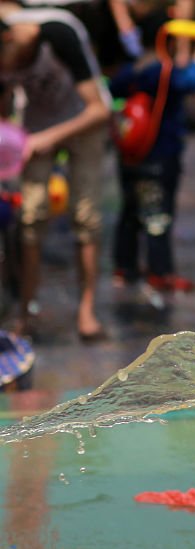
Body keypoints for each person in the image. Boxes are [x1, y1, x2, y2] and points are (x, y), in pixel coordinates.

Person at [0, 6, 110, 340]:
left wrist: (48, 138)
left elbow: (100, 110)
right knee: (31, 217)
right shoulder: (3, 48)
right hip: (37, 125)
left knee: (85, 216)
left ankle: (86, 310)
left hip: (84, 121)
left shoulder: (59, 34)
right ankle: (26, 312)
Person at [109, 5, 195, 292]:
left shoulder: (133, 68)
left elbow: (113, 89)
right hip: (160, 156)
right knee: (158, 214)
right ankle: (160, 271)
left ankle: (124, 266)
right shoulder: (164, 72)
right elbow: (194, 80)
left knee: (130, 211)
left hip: (130, 153)